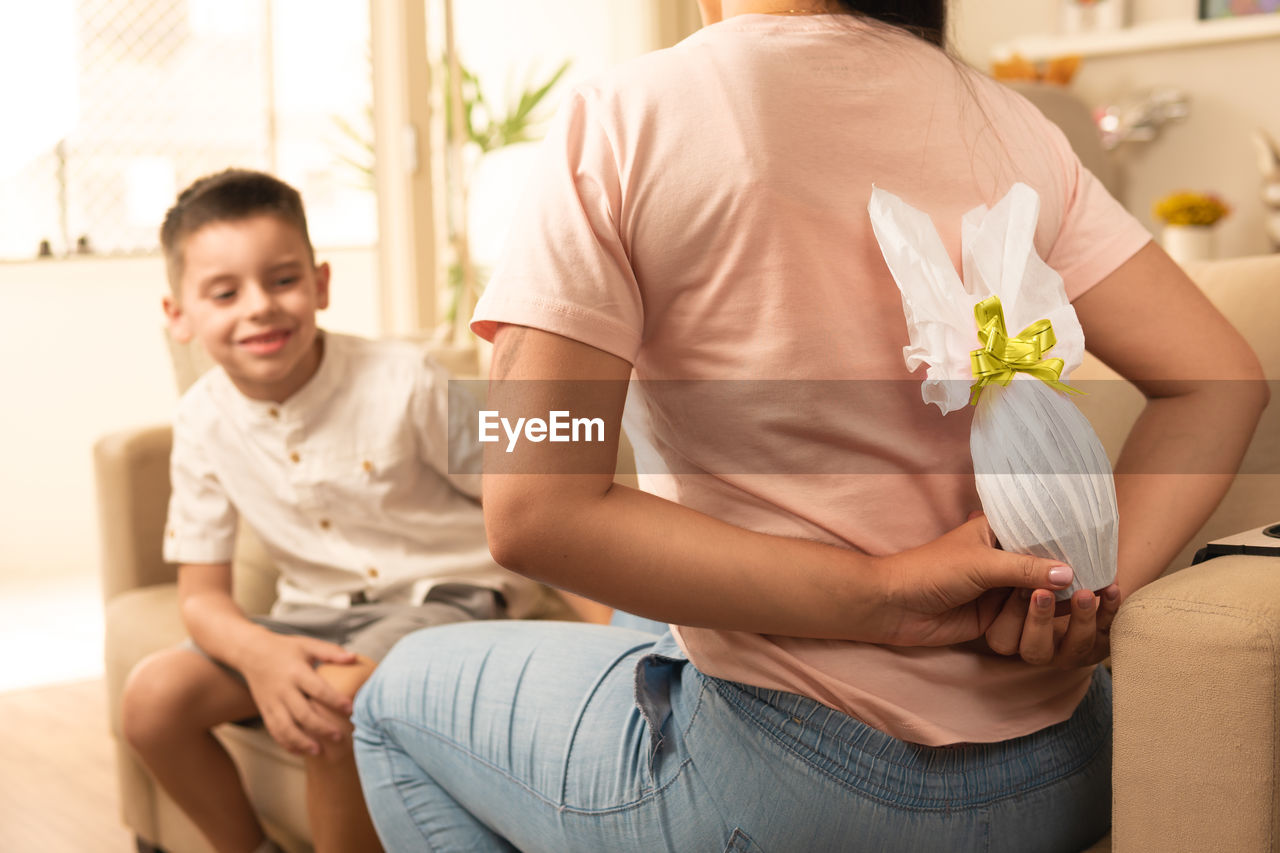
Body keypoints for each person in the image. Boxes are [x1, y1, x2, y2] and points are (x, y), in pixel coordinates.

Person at [352, 2, 1268, 851]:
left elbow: (529, 510)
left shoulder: (627, 116)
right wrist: (1082, 597)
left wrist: (878, 590)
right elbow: (1223, 381)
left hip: (801, 791)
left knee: (390, 699)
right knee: (642, 608)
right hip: (1069, 767)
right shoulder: (1013, 121)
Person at [119, 168, 550, 853]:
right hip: (313, 615)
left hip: (443, 598)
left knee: (329, 703)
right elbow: (201, 598)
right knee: (153, 698)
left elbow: (529, 493)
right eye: (225, 292)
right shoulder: (200, 420)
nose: (258, 306)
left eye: (282, 279)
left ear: (320, 284)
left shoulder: (406, 376)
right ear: (179, 315)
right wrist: (260, 655)